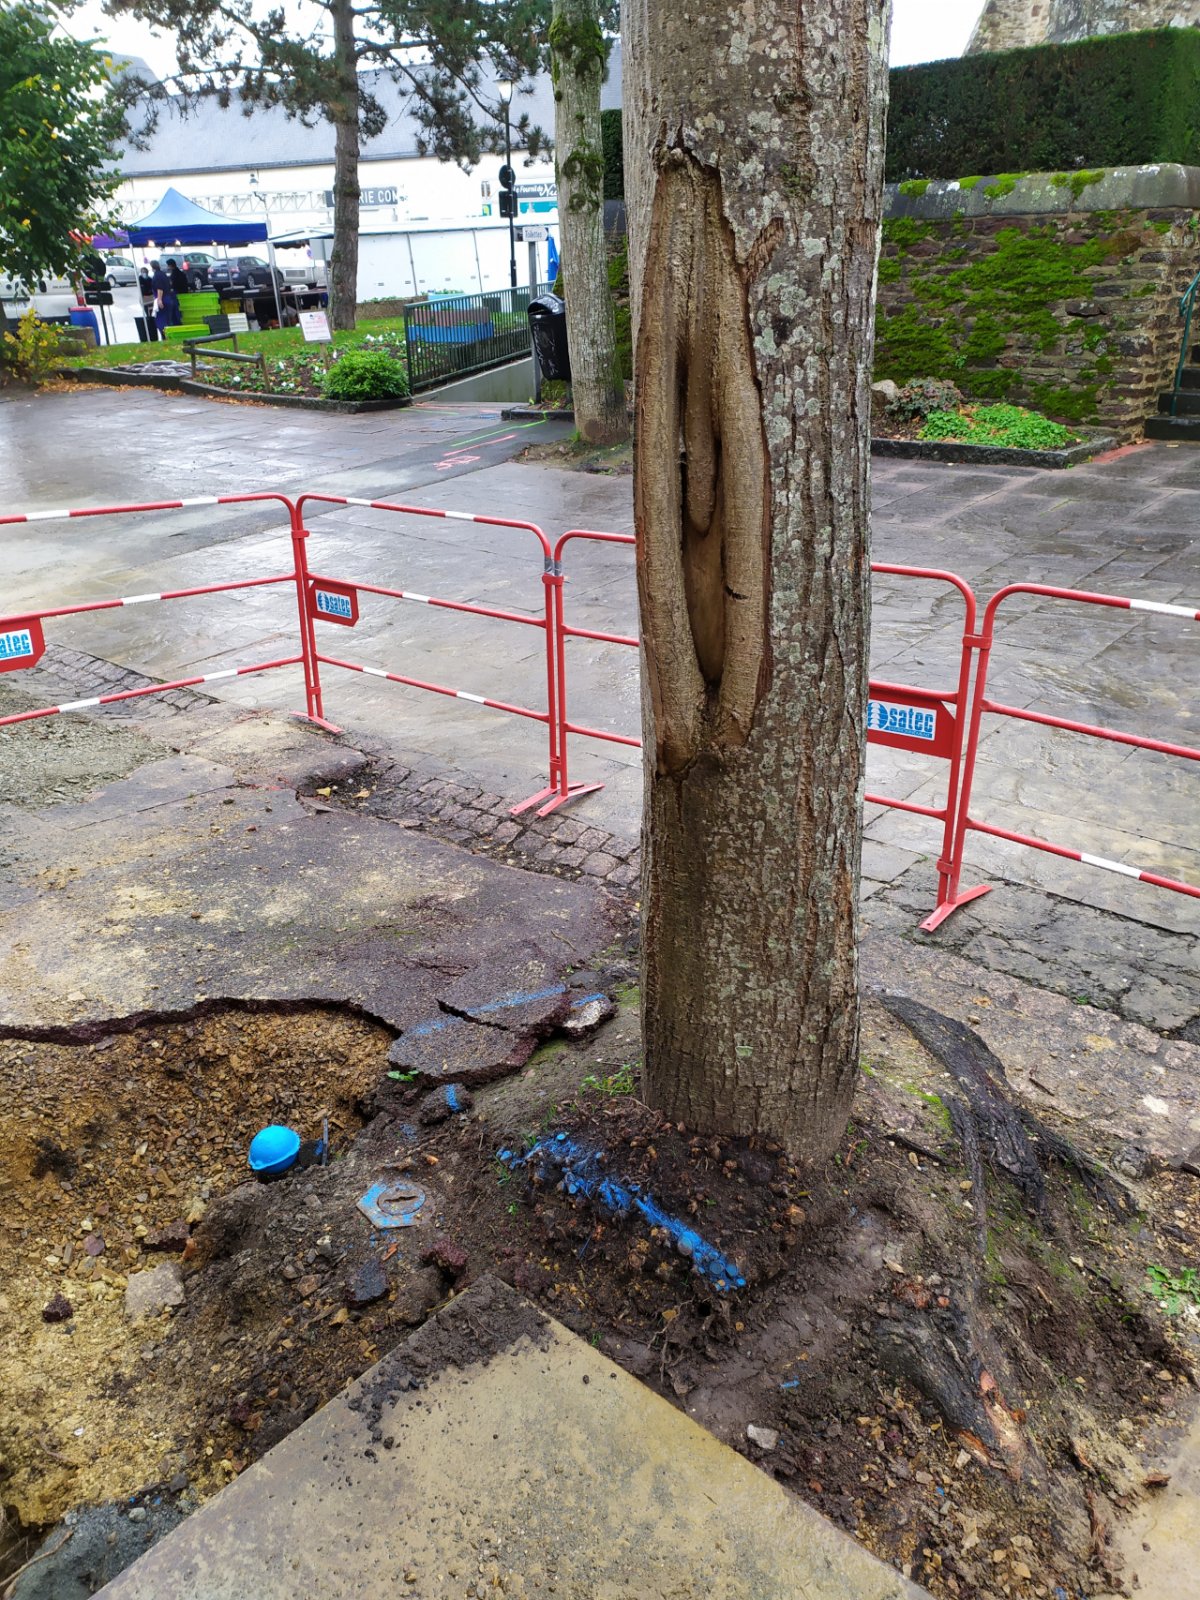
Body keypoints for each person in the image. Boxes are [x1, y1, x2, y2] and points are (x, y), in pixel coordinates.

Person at [151, 259, 181, 334]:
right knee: (168, 319)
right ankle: (169, 334)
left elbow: (160, 288)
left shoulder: (157, 276)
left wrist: (159, 300)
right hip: (168, 299)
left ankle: (165, 335)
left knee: (162, 321)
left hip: (163, 299)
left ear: (152, 267)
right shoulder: (163, 274)